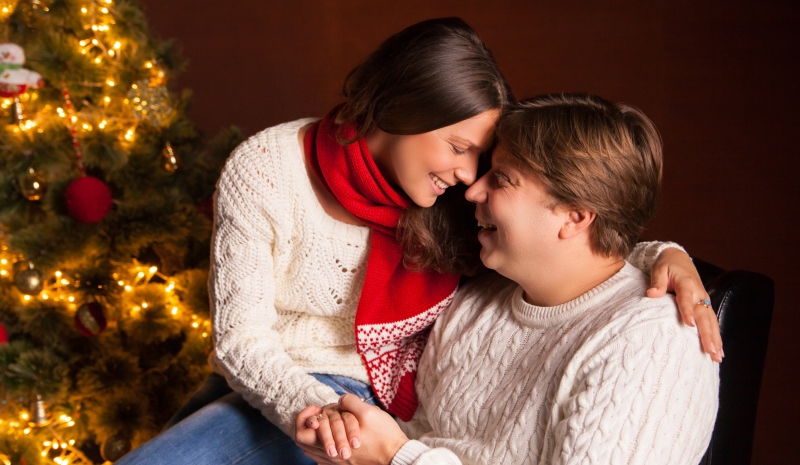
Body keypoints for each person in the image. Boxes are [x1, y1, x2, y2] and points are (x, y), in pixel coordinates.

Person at [117, 17, 718, 465]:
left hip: (379, 415)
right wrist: (322, 412)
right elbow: (243, 340)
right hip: (285, 387)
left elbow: (584, 236)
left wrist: (659, 257)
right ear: (400, 110)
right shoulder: (273, 168)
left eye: (487, 165)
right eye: (460, 151)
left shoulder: (462, 198)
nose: (471, 180)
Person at [296, 94, 720, 465]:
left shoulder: (651, 344)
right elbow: (419, 433)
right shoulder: (477, 299)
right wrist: (354, 440)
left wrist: (394, 457)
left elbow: (405, 451)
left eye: (501, 179)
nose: (473, 191)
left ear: (574, 216)